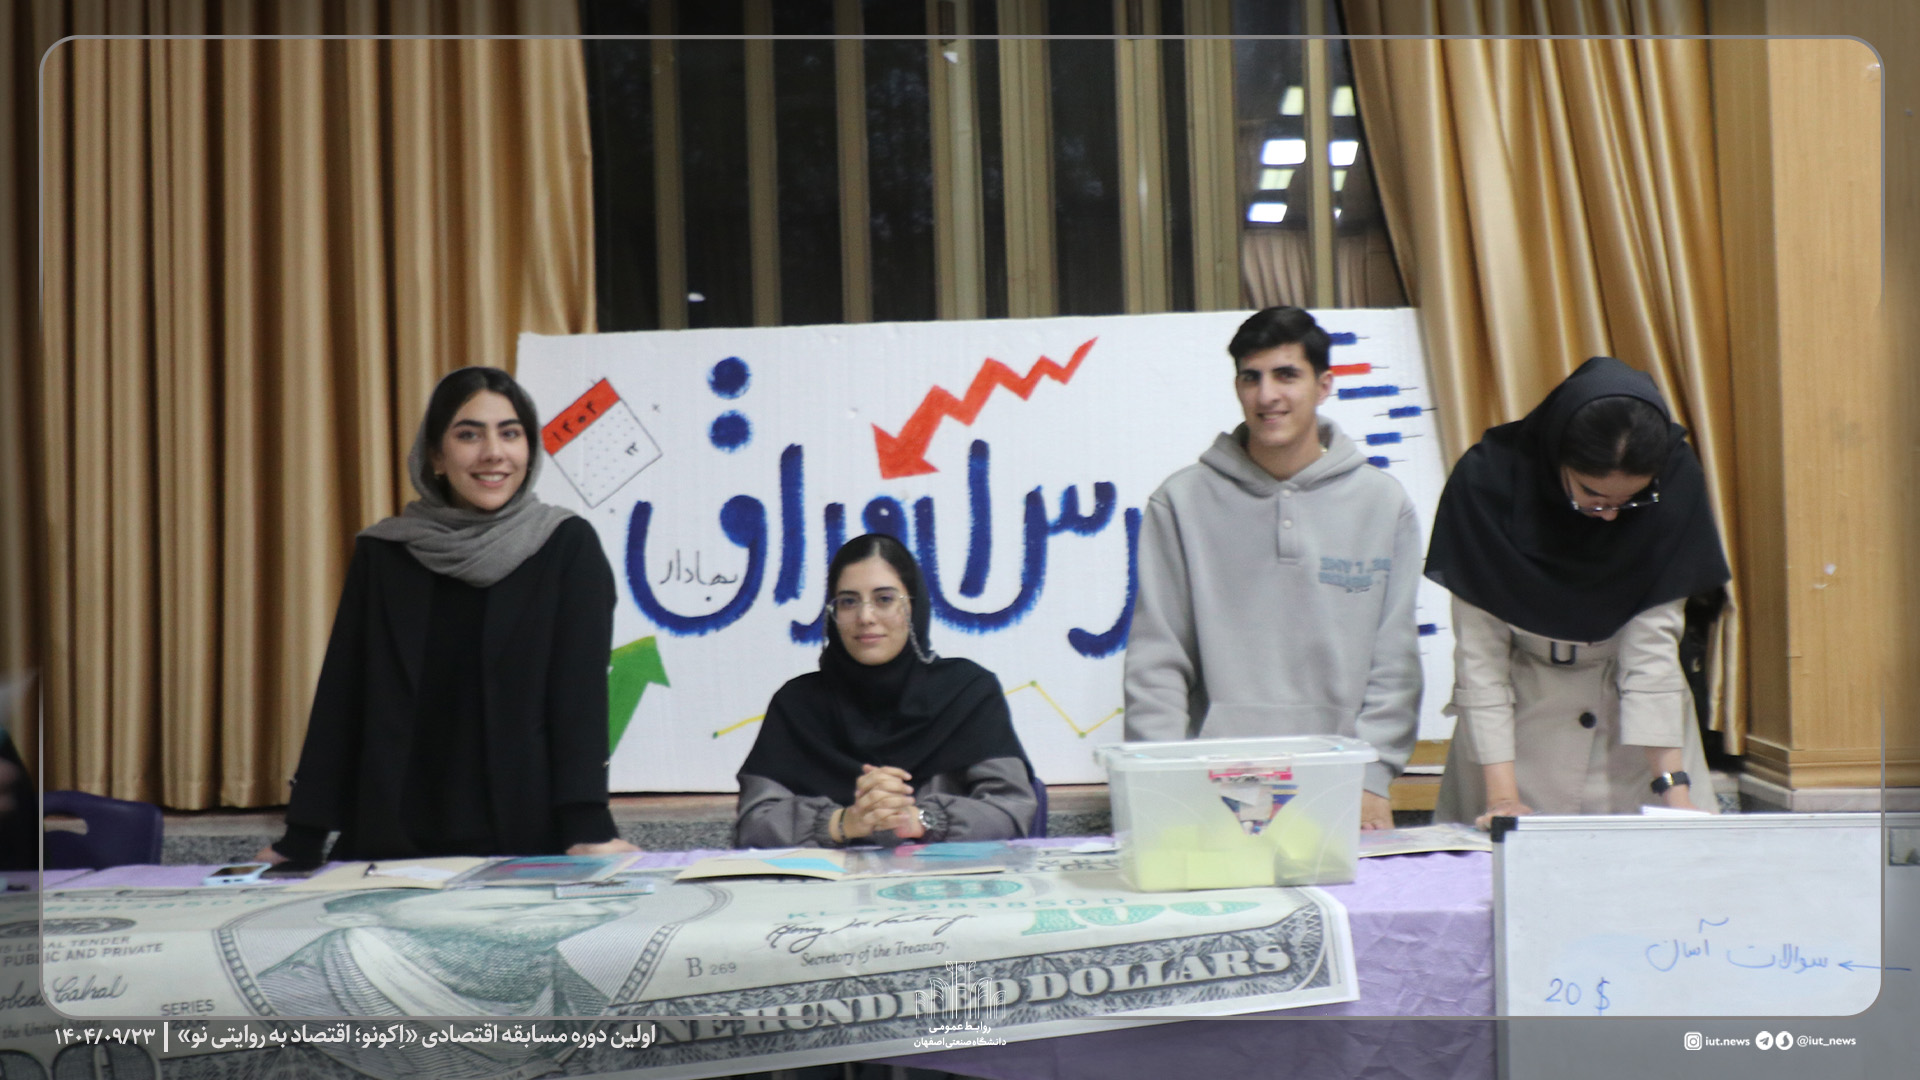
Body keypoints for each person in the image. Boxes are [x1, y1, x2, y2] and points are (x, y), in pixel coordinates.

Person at [259, 367, 637, 864]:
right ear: (435, 456)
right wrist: (303, 836)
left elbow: (578, 698)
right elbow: (343, 695)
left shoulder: (566, 546)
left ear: (530, 450)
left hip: (524, 837)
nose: (493, 453)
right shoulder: (386, 552)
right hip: (391, 842)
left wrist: (587, 825)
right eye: (468, 435)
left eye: (510, 433)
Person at [1122, 306, 1420, 831]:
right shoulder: (1181, 502)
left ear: (1324, 385)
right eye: (1251, 378)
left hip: (1342, 782)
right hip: (1211, 784)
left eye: (1286, 375)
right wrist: (1163, 783)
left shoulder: (1382, 502)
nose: (1267, 396)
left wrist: (1373, 777)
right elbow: (1158, 660)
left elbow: (1393, 659)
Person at [1425, 356, 1730, 826]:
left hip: (1637, 740)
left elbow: (1652, 651)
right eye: (1592, 495)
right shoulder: (1487, 485)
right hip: (1512, 738)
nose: (1610, 515)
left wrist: (1675, 793)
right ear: (1557, 458)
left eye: (1631, 499)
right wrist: (1502, 798)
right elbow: (1480, 664)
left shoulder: (1674, 480)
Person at [735, 534, 1037, 847]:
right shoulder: (797, 704)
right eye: (848, 601)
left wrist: (917, 820)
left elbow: (1011, 811)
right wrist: (844, 822)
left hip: (946, 877)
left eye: (884, 599)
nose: (865, 617)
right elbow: (752, 826)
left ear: (914, 607)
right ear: (832, 613)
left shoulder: (967, 692)